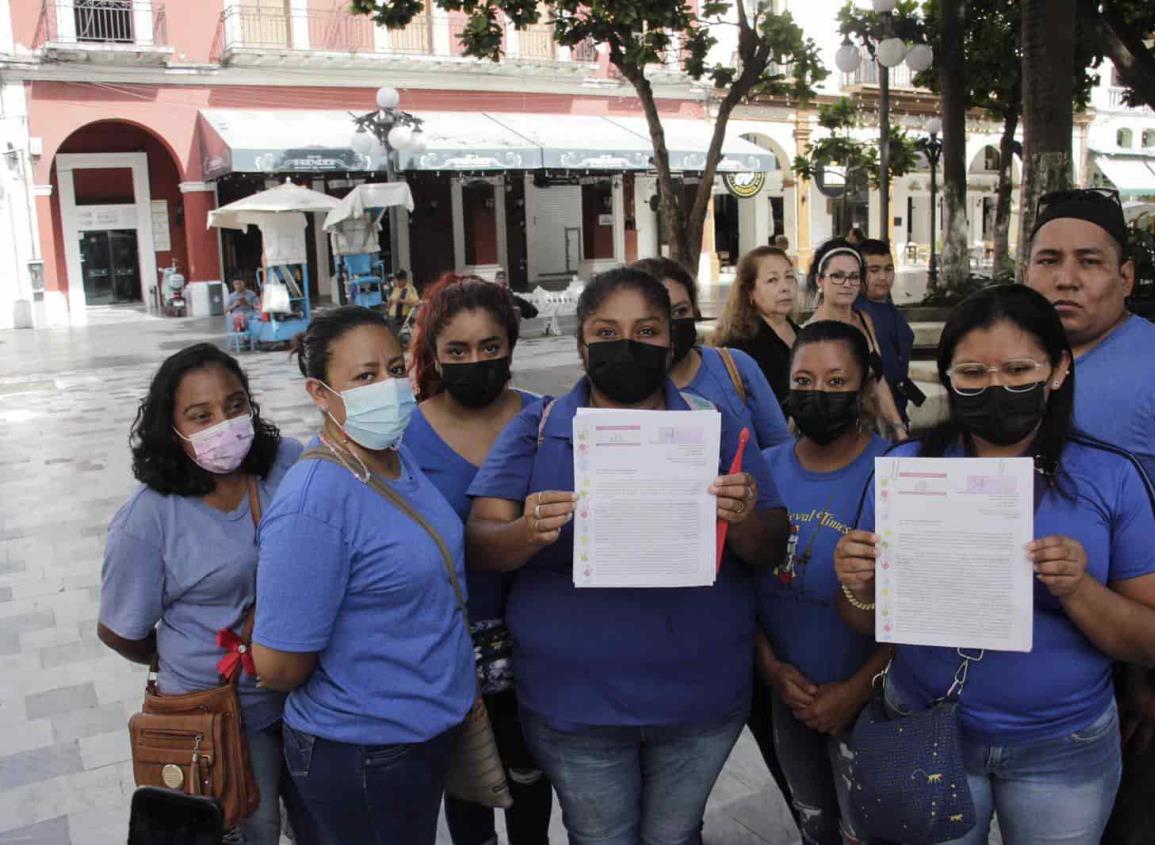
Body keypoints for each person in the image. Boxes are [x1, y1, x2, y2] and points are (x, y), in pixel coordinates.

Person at [466, 267, 791, 845]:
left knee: (674, 833)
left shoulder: (713, 425)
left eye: (646, 331)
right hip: (575, 706)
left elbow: (771, 542)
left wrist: (740, 519)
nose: (628, 345)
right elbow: (482, 542)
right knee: (599, 836)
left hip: (701, 699)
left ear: (671, 340)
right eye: (607, 331)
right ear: (581, 343)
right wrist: (527, 531)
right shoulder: (537, 429)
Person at [835, 284, 1155, 845]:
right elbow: (864, 618)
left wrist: (1079, 588)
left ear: (1058, 370)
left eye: (1017, 369)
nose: (996, 387)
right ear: (950, 377)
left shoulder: (1111, 476)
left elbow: (1148, 639)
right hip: (924, 727)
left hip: (1063, 745)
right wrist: (858, 582)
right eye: (973, 373)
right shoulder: (908, 470)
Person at [251, 306, 475, 844]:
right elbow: (278, 665)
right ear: (321, 393)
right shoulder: (314, 501)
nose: (390, 387)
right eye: (365, 376)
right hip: (363, 748)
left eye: (396, 369)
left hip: (421, 733)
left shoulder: (393, 456)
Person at [98, 343, 316, 845]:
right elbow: (118, 630)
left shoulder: (287, 462)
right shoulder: (149, 518)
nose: (224, 422)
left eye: (235, 405)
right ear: (171, 429)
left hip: (307, 692)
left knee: (322, 822)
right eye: (201, 415)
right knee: (251, 826)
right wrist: (180, 657)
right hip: (219, 717)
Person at [1023, 188, 1155, 845]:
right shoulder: (1015, 364)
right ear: (1025, 274)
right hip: (1045, 668)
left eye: (1088, 261)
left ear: (1124, 276)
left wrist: (1142, 669)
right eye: (1047, 259)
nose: (1065, 277)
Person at [405, 275, 553, 845]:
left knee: (531, 786)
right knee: (465, 794)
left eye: (490, 347)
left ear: (511, 345)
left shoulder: (550, 420)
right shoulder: (403, 435)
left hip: (540, 646)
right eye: (458, 351)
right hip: (446, 651)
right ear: (435, 356)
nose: (476, 361)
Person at [757, 320, 892, 845]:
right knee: (813, 823)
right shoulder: (763, 470)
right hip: (788, 696)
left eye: (837, 382)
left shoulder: (899, 470)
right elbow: (738, 586)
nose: (819, 394)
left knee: (870, 832)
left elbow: (923, 611)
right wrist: (771, 671)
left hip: (874, 701)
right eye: (805, 381)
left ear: (863, 387)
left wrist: (856, 691)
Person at [632, 255, 790, 449]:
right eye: (654, 316)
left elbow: (781, 453)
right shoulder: (613, 387)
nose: (669, 325)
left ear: (694, 310)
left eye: (680, 311)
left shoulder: (736, 367)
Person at [807, 238, 907, 440]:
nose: (847, 284)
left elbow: (878, 380)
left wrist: (898, 427)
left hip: (873, 430)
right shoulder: (812, 332)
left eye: (854, 277)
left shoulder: (864, 319)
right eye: (837, 276)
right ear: (820, 280)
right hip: (834, 437)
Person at [712, 246, 802, 414]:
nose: (785, 287)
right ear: (750, 292)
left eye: (789, 277)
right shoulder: (739, 346)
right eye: (772, 280)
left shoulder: (803, 335)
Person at [855, 239, 917, 423]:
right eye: (874, 270)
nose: (883, 277)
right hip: (872, 417)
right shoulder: (856, 314)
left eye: (888, 269)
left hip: (899, 407)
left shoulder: (889, 307)